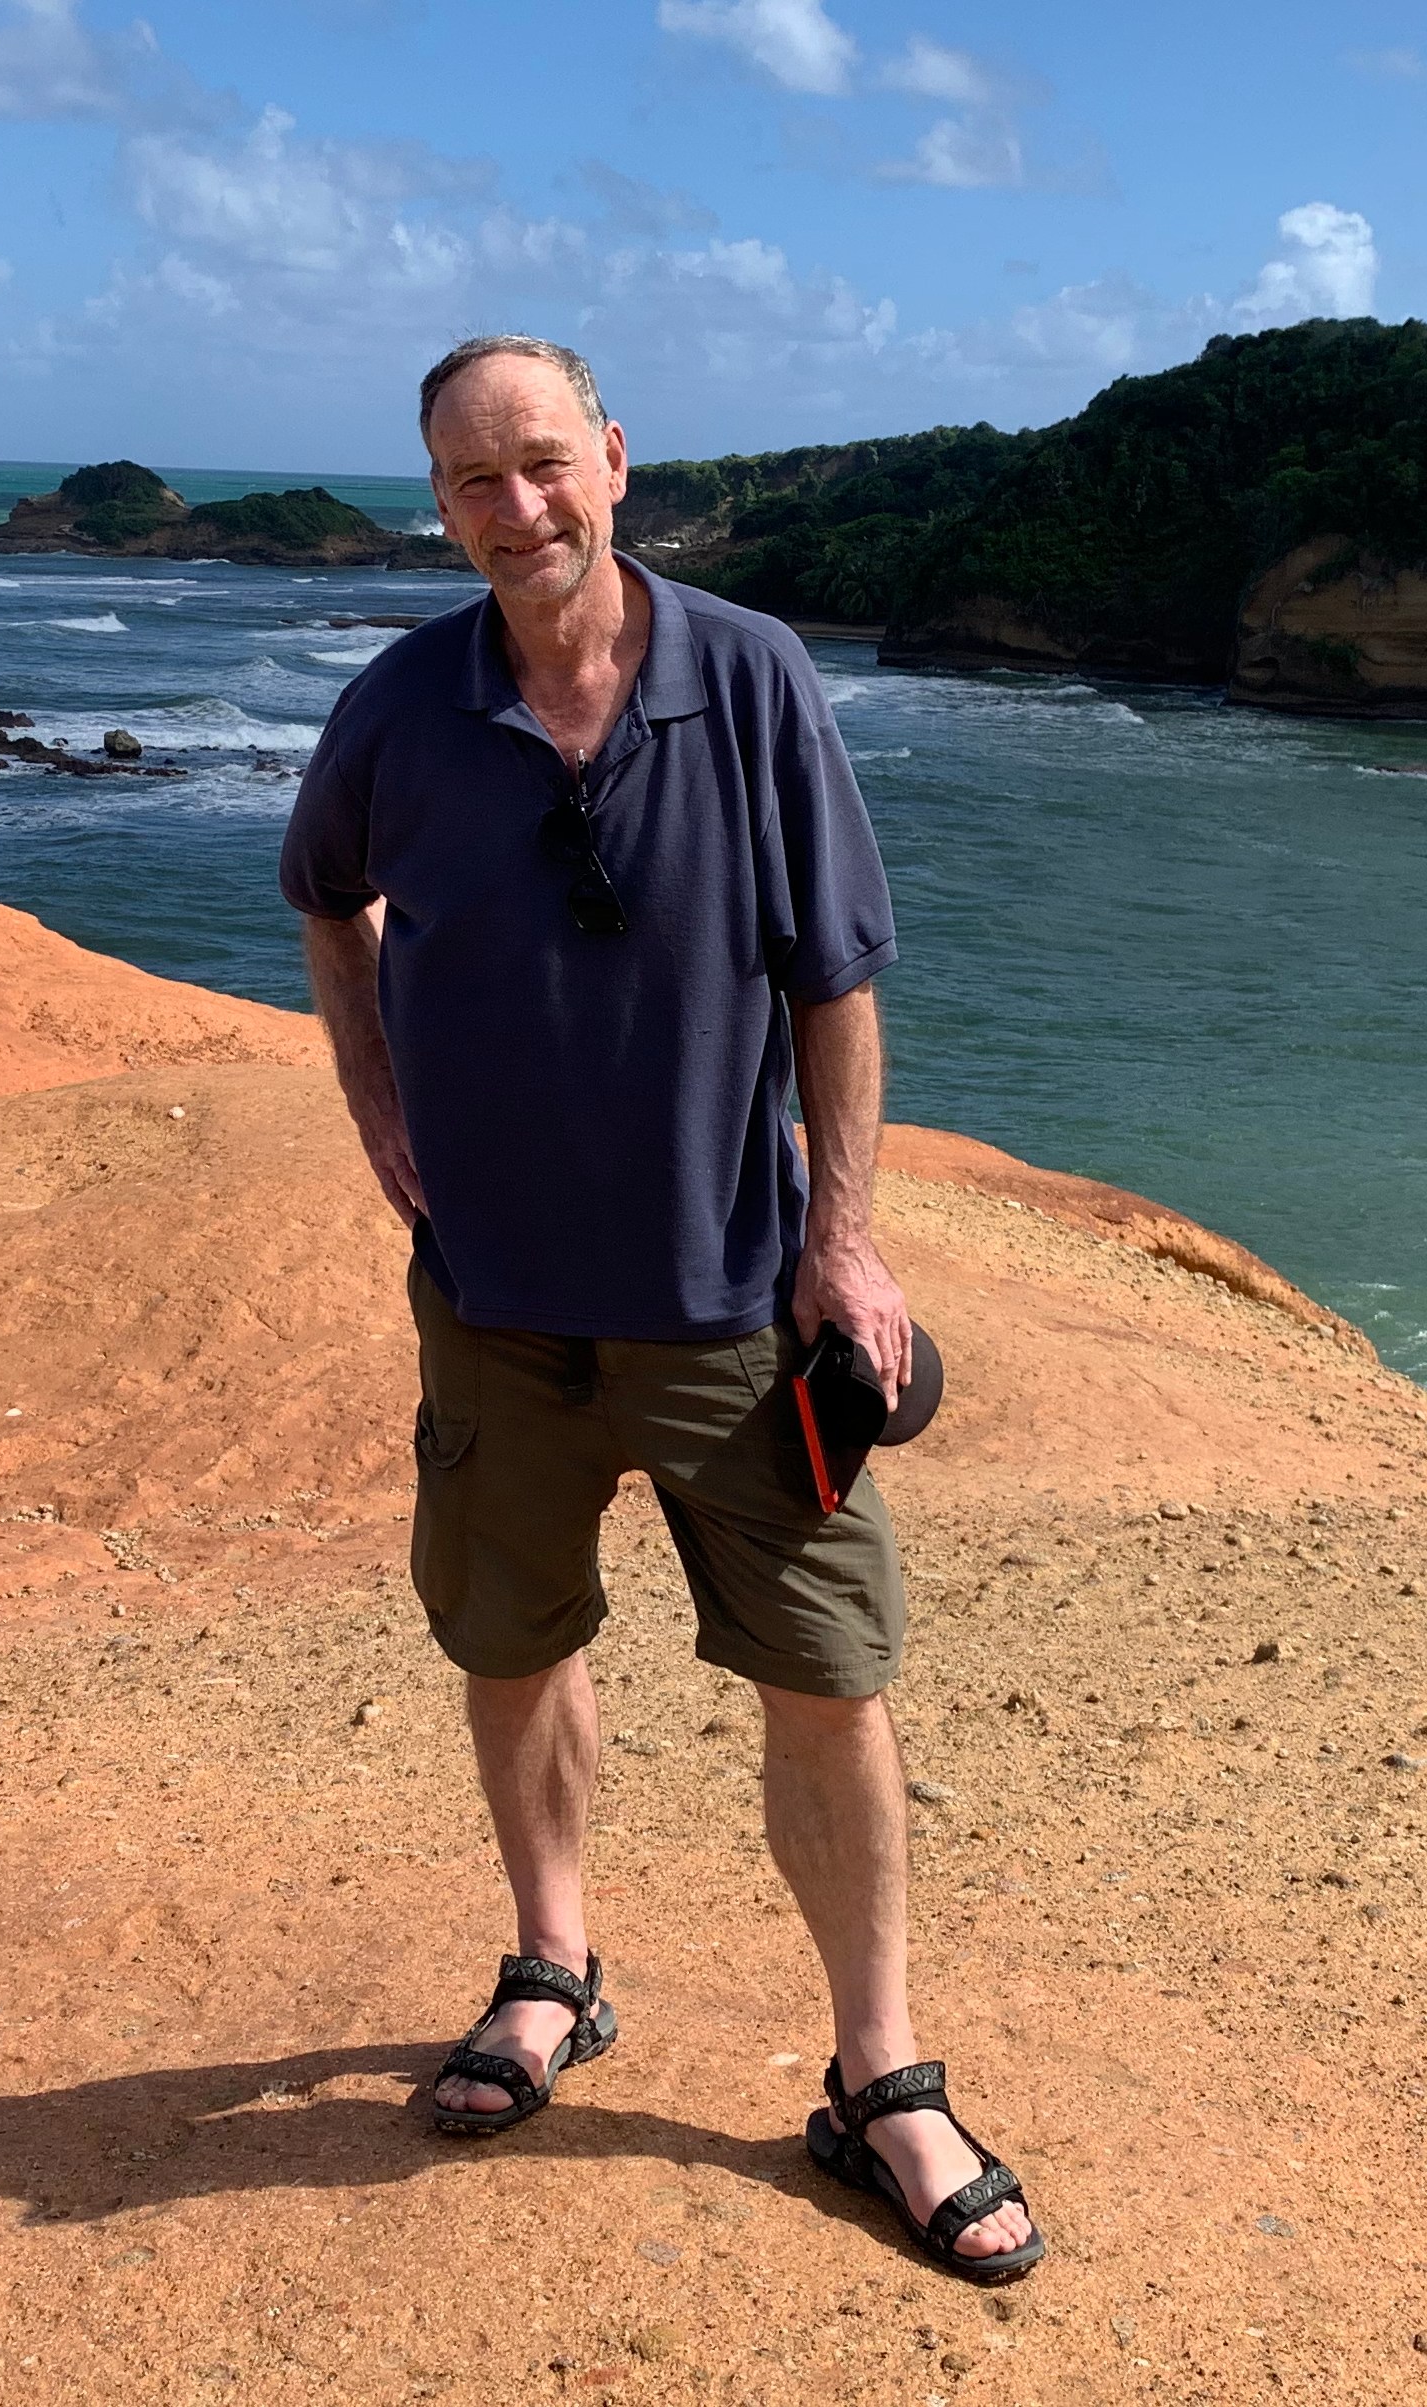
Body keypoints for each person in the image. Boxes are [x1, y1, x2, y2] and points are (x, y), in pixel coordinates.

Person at [278, 334, 1042, 2281]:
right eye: (473, 479)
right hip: (493, 1304)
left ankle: (881, 2076)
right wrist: (374, 1103)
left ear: (615, 459)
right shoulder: (400, 705)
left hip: (728, 1303)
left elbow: (836, 982)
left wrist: (844, 1241)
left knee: (828, 1674)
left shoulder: (753, 676)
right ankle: (554, 1967)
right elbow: (326, 900)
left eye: (544, 461)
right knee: (512, 1641)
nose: (516, 506)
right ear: (437, 505)